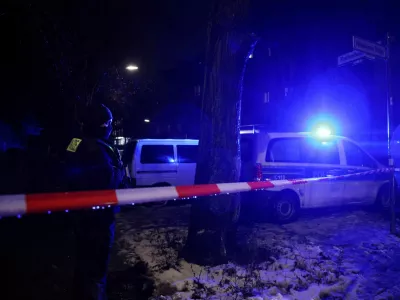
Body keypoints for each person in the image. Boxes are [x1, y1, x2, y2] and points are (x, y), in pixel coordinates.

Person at [64, 103, 124, 300]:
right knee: (96, 269)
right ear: (102, 125)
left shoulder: (74, 142)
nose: (110, 127)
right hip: (98, 219)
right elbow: (108, 180)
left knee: (82, 265)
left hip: (79, 216)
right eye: (109, 123)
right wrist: (120, 170)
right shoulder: (97, 148)